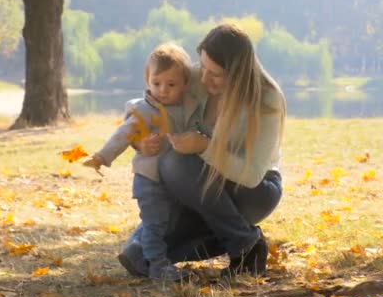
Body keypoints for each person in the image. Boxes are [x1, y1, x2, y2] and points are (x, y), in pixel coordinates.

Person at [118, 23, 286, 278]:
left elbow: (252, 176)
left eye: (215, 74)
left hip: (252, 191)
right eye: (203, 66)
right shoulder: (196, 77)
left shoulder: (266, 99)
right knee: (136, 255)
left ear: (237, 73)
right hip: (196, 188)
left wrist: (206, 147)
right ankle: (227, 232)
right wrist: (138, 140)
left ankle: (246, 245)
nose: (204, 78)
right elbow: (147, 106)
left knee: (174, 163)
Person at [83, 42, 192, 280]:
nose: (163, 90)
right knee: (155, 224)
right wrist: (103, 156)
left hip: (173, 181)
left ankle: (139, 258)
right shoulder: (144, 111)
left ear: (185, 84)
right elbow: (123, 134)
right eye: (156, 83)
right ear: (147, 80)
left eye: (171, 84)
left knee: (166, 222)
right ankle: (157, 265)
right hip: (149, 179)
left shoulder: (185, 109)